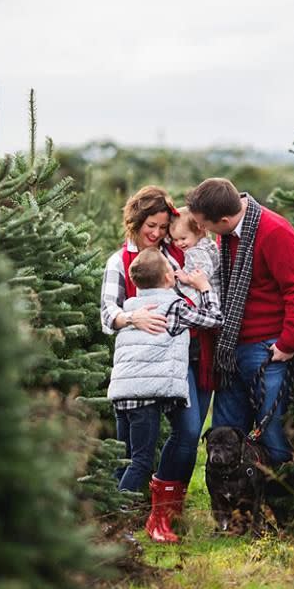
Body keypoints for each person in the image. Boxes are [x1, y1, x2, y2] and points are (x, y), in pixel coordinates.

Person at [99, 185, 215, 541]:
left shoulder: (175, 252)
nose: (157, 233)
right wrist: (132, 319)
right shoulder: (120, 261)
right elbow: (107, 315)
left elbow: (197, 289)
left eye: (163, 227)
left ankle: (163, 517)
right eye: (151, 225)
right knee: (135, 455)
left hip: (187, 358)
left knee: (188, 432)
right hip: (146, 369)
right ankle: (126, 520)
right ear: (135, 221)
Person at [185, 177, 294, 466]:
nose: (201, 230)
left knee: (274, 436)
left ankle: (282, 503)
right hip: (230, 351)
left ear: (225, 219)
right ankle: (236, 508)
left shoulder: (275, 232)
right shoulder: (227, 234)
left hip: (268, 350)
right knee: (227, 434)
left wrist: (288, 344)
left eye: (205, 224)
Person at [168, 207, 221, 394]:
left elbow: (202, 276)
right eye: (174, 239)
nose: (179, 243)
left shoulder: (195, 252)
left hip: (203, 298)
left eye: (183, 239)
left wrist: (184, 278)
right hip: (215, 296)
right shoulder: (209, 244)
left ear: (199, 230)